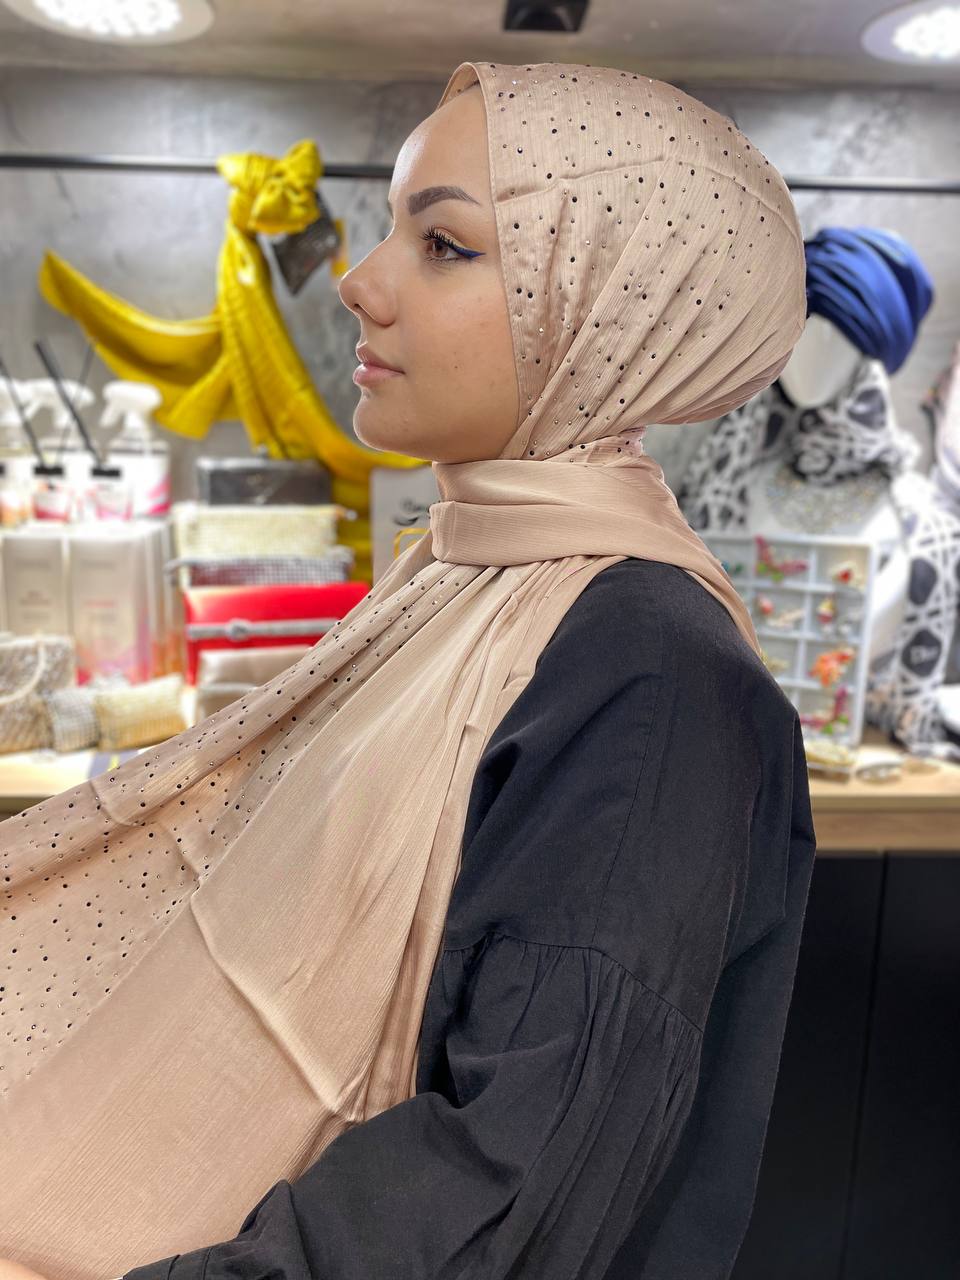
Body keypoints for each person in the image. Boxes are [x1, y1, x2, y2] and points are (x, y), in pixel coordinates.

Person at [0, 60, 815, 1278]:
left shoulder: (651, 679)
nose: (361, 281)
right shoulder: (464, 575)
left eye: (444, 245)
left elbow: (499, 1192)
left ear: (600, 307)